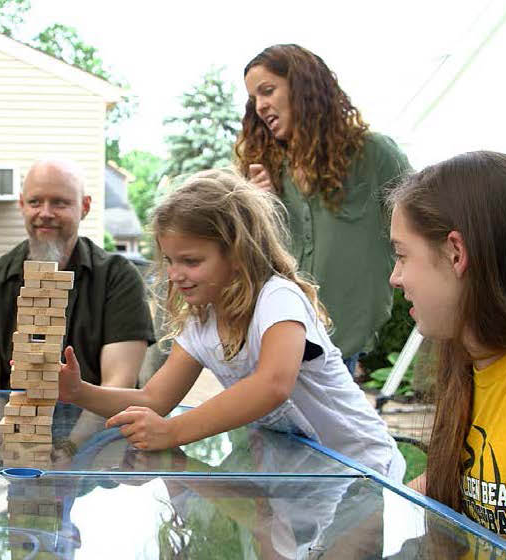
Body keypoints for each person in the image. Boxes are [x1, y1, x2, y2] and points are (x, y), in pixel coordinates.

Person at [58, 169, 404, 481]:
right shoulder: (203, 322)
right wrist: (79, 392)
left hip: (365, 469)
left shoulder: (277, 298)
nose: (175, 275)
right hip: (309, 479)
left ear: (238, 253)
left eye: (191, 261)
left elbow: (272, 385)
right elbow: (154, 398)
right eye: (170, 260)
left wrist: (173, 432)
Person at [387, 151, 506, 557]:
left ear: (456, 253)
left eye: (402, 255)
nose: (395, 277)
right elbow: (435, 492)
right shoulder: (470, 363)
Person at [0, 159, 154, 459]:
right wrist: (13, 449)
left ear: (84, 207)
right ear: (22, 204)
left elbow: (118, 382)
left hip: (97, 455)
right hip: (8, 454)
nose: (45, 214)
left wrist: (70, 450)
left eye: (60, 203)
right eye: (35, 201)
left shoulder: (118, 277)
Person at [235, 44, 412, 375]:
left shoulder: (375, 156)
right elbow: (256, 261)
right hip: (278, 337)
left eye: (268, 91)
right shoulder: (267, 169)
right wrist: (259, 204)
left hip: (341, 339)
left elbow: (423, 227)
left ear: (303, 87)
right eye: (254, 99)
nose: (260, 106)